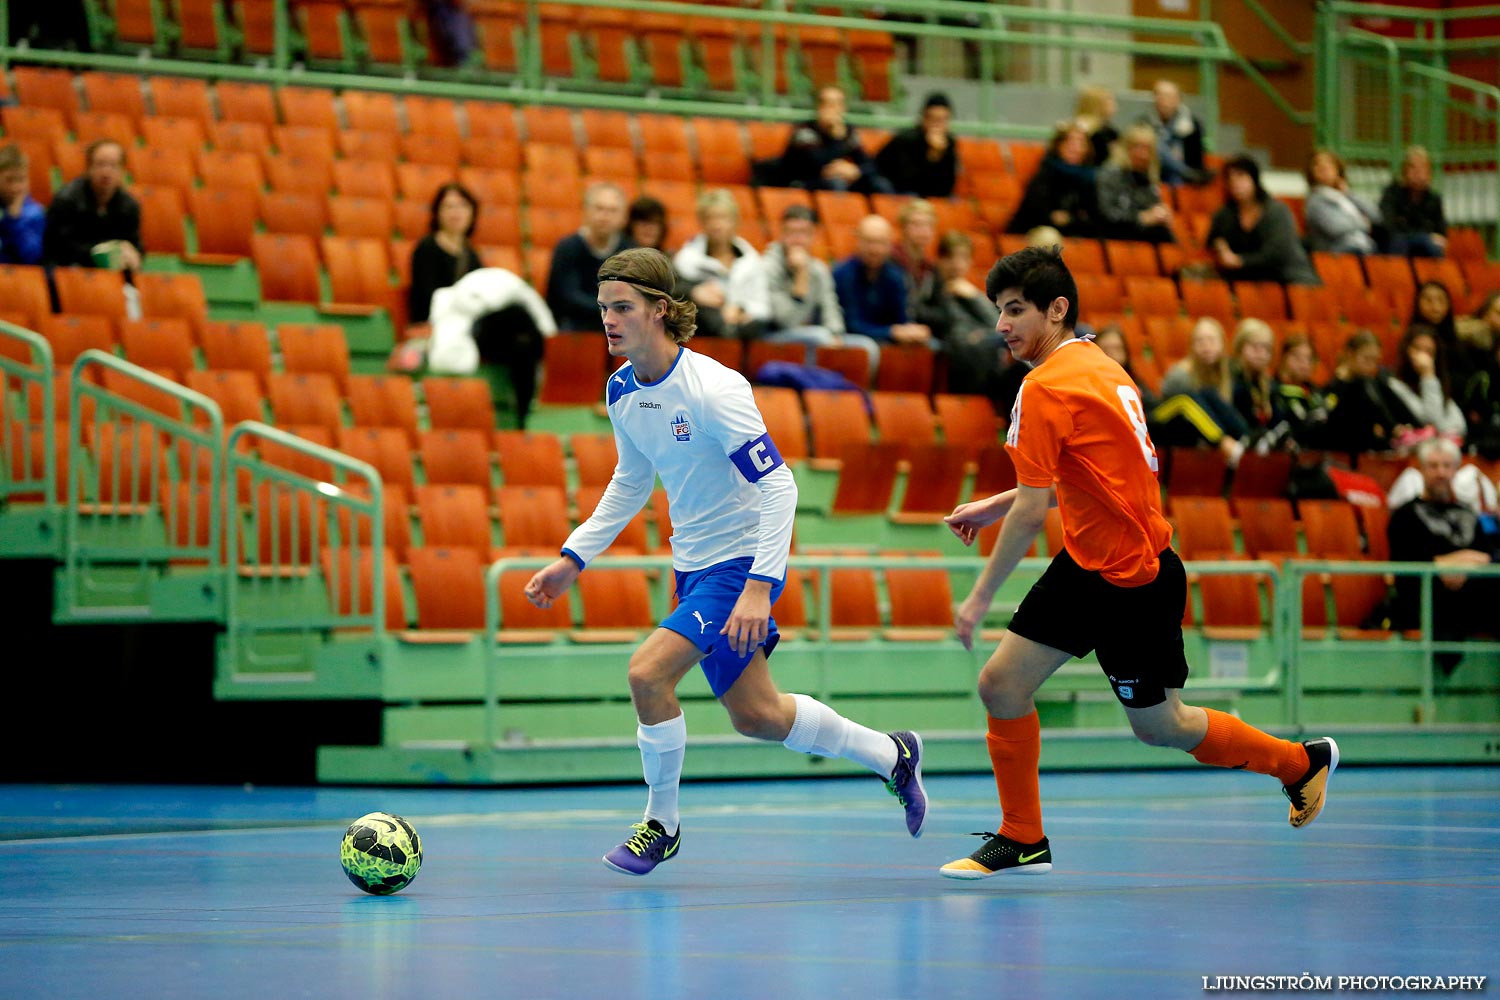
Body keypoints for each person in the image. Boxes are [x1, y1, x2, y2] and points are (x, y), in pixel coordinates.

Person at [522, 247, 927, 875]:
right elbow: (631, 481)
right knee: (757, 716)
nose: (608, 319)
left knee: (647, 675)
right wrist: (575, 557)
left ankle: (662, 825)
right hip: (694, 568)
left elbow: (779, 487)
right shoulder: (622, 388)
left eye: (622, 307)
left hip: (740, 566)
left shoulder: (714, 389)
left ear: (660, 310)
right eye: (604, 308)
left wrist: (759, 587)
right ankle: (893, 754)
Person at [938, 245, 1337, 879]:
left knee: (1163, 727)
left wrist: (980, 596)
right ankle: (1023, 837)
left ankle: (1298, 762)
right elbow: (1085, 474)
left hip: (1134, 580)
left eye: (1015, 310)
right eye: (998, 311)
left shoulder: (1043, 386)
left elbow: (1036, 507)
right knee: (1001, 684)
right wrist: (993, 504)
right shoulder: (1103, 366)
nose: (1002, 325)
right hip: (1089, 565)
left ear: (1057, 309)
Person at [411, 182, 547, 428]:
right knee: (518, 318)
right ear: (437, 213)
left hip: (474, 325)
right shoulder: (427, 249)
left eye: (462, 206)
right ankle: (528, 403)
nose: (456, 212)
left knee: (522, 341)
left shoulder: (470, 253)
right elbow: (426, 300)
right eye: (449, 206)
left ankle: (524, 414)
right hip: (447, 326)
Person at [1386, 436, 1500, 677]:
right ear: (1421, 469)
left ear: (1456, 470)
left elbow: (1489, 557)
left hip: (1474, 595)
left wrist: (1455, 561)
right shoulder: (1405, 516)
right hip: (1425, 598)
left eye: (1447, 466)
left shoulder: (1468, 514)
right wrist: (1458, 561)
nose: (1441, 473)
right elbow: (1408, 564)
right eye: (1434, 466)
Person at [757, 204, 879, 367]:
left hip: (815, 334)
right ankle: (812, 389)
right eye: (792, 233)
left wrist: (836, 334)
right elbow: (786, 321)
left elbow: (830, 307)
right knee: (818, 337)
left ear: (813, 236)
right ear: (782, 234)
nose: (798, 240)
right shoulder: (767, 267)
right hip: (773, 338)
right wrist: (801, 275)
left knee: (867, 347)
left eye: (804, 233)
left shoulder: (819, 269)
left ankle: (857, 392)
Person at [920, 230, 1020, 407]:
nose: (957, 265)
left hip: (986, 343)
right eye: (951, 258)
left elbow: (996, 322)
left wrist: (973, 296)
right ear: (940, 260)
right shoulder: (931, 286)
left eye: (963, 258)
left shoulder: (967, 291)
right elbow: (928, 315)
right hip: (963, 347)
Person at [672, 188, 769, 341]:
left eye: (723, 217)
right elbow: (673, 296)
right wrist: (695, 293)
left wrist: (741, 310)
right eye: (710, 218)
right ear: (702, 222)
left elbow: (763, 306)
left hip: (746, 331)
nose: (717, 224)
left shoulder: (752, 260)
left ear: (735, 221)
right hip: (701, 334)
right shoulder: (687, 259)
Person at [1207, 155, 1319, 286]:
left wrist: (1240, 261)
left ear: (1254, 179)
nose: (1234, 182)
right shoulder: (1224, 215)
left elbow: (1278, 253)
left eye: (1241, 175)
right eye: (1229, 178)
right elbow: (1212, 242)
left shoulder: (1277, 210)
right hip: (1253, 280)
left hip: (1291, 278)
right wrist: (1219, 245)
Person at [1152, 317, 1249, 466]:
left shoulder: (1230, 373)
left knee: (1208, 394)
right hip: (1165, 425)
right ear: (1192, 347)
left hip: (1198, 433)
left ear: (1222, 344)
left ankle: (1247, 440)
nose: (1206, 346)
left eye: (1211, 340)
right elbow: (1179, 416)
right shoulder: (1180, 375)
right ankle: (1226, 445)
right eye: (1200, 342)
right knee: (1191, 397)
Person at [832, 215, 934, 347]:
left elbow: (901, 320)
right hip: (851, 338)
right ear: (858, 242)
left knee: (928, 345)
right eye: (869, 242)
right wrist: (892, 332)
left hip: (885, 338)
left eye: (881, 242)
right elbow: (851, 325)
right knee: (867, 346)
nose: (875, 249)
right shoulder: (842, 274)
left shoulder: (895, 276)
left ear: (889, 245)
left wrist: (911, 331)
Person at [42, 138, 142, 273]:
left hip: (111, 273)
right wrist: (100, 253)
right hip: (67, 269)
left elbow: (135, 244)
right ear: (89, 168)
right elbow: (58, 247)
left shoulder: (129, 206)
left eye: (113, 165)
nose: (106, 172)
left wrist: (134, 255)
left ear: (122, 171)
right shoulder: (66, 200)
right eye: (100, 164)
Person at [545, 181, 632, 330]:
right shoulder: (568, 247)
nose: (605, 216)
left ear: (623, 217)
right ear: (586, 211)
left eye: (612, 210)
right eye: (599, 208)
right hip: (576, 323)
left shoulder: (630, 250)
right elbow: (567, 297)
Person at [776, 85, 889, 195]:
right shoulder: (804, 131)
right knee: (836, 184)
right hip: (804, 183)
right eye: (828, 104)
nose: (833, 109)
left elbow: (868, 163)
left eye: (837, 104)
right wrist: (836, 138)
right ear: (819, 107)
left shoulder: (848, 131)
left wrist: (855, 170)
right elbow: (817, 165)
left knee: (879, 184)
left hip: (836, 180)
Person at [1321, 329, 1416, 456]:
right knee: (1363, 383)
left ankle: (1414, 429)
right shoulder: (1334, 386)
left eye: (1375, 360)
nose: (1371, 365)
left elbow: (1395, 404)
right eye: (1366, 359)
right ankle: (1397, 431)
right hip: (1340, 446)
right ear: (1350, 354)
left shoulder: (1374, 383)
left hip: (1367, 447)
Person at [1006, 121, 1100, 239]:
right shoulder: (1046, 171)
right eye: (1070, 141)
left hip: (1073, 231)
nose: (1075, 147)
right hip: (1036, 230)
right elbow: (1033, 209)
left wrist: (1071, 219)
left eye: (1081, 143)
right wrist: (1052, 216)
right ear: (1058, 145)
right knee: (1048, 238)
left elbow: (1093, 214)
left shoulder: (1089, 177)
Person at [1385, 324, 1467, 447]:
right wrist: (1427, 375)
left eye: (1429, 352)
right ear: (1406, 349)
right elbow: (1431, 420)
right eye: (1417, 349)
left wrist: (1430, 378)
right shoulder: (1394, 385)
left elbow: (1460, 426)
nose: (1423, 357)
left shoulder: (1437, 382)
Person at [1094, 123, 1174, 244]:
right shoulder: (1110, 173)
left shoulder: (1148, 177)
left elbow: (1151, 208)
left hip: (1141, 235)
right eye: (1138, 147)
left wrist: (1160, 213)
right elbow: (1107, 214)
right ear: (1126, 148)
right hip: (1115, 235)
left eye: (1148, 149)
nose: (1143, 154)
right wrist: (1141, 217)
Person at [873, 92, 957, 199]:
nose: (938, 126)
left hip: (929, 195)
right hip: (896, 190)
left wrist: (938, 154)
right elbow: (907, 182)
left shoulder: (949, 143)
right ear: (924, 119)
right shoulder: (906, 139)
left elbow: (947, 186)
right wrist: (932, 155)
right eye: (934, 119)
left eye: (943, 120)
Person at [1303, 148, 1381, 255]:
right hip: (1334, 252)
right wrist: (1363, 223)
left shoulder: (1345, 196)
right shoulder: (1315, 200)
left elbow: (1376, 216)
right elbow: (1335, 227)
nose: (1323, 168)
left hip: (1363, 246)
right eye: (1317, 165)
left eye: (1328, 165)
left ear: (1338, 170)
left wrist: (1349, 194)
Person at [1380, 146, 1447, 258]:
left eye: (1423, 168)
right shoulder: (1392, 194)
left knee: (1433, 247)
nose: (1418, 173)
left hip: (1424, 248)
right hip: (1397, 246)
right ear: (1404, 171)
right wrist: (1423, 236)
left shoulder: (1434, 199)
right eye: (1413, 168)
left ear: (1429, 173)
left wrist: (1429, 237)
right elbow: (1389, 225)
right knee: (1402, 242)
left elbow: (1441, 232)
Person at [1229, 318, 1285, 447]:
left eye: (1266, 348)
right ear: (1240, 346)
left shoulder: (1270, 385)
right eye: (1255, 346)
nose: (1261, 353)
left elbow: (1277, 423)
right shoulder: (1230, 379)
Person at [1273, 333, 1332, 449]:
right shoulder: (1274, 389)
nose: (1304, 364)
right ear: (1283, 357)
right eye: (1297, 357)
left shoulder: (1316, 391)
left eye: (1309, 359)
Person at [1145, 79, 1208, 187]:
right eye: (1158, 95)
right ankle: (1185, 171)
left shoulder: (1191, 124)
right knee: (1156, 145)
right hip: (1153, 174)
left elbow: (1196, 158)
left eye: (1167, 96)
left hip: (1180, 179)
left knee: (1157, 145)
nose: (1161, 100)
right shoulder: (1145, 123)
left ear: (1178, 100)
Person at [1094, 322, 1158, 411]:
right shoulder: (1091, 385)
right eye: (1106, 349)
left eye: (1117, 348)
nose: (1112, 354)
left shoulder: (1134, 380)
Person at [0, 143, 46, 266]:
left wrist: (14, 220)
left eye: (21, 180)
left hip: (18, 278)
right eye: (9, 180)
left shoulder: (34, 213)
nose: (15, 187)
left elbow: (31, 256)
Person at [1074, 84, 1119, 169]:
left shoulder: (1108, 130)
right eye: (1110, 100)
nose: (1114, 105)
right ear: (1098, 104)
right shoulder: (1095, 133)